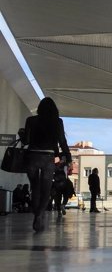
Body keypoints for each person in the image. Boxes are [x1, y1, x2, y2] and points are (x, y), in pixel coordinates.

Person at [21, 97, 71, 232]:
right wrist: (69, 157)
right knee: (46, 189)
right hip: (48, 158)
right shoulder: (57, 122)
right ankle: (39, 215)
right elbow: (62, 141)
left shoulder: (30, 120)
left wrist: (22, 133)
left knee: (35, 187)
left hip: (32, 156)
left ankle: (37, 213)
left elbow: (25, 141)